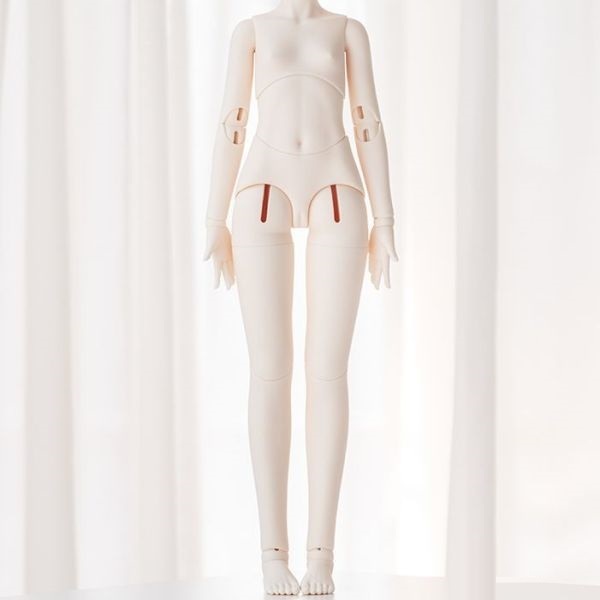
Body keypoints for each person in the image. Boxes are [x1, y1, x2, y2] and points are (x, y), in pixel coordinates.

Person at [203, 0, 398, 594]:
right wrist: (214, 218)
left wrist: (385, 219)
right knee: (269, 371)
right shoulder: (249, 32)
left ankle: (321, 555)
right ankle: (272, 554)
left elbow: (368, 121)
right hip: (262, 187)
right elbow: (232, 122)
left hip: (337, 186)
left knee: (327, 372)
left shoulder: (349, 30)